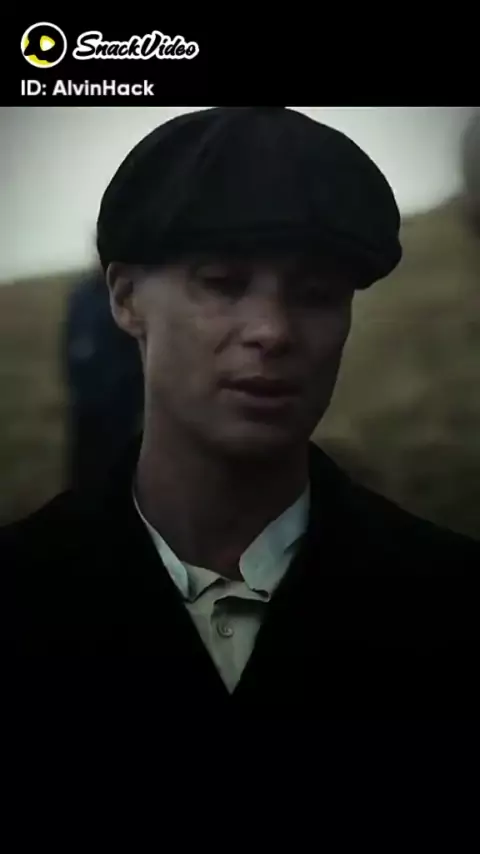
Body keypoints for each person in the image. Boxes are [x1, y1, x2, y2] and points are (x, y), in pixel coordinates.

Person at [1, 107, 478, 720]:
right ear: (125, 298)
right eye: (223, 284)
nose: (272, 331)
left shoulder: (453, 604)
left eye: (316, 295)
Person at [63, 265, 144, 489]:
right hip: (85, 404)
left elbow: (136, 354)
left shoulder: (127, 298)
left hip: (119, 407)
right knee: (82, 470)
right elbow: (70, 340)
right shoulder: (81, 294)